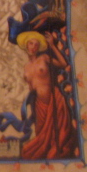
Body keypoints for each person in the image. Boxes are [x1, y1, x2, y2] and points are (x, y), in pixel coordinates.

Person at [17, 31, 77, 159]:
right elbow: (31, 87)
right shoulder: (26, 67)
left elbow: (63, 64)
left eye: (36, 45)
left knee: (59, 137)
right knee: (42, 139)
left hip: (54, 100)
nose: (33, 47)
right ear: (26, 45)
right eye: (31, 43)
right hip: (39, 105)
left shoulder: (44, 58)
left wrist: (53, 46)